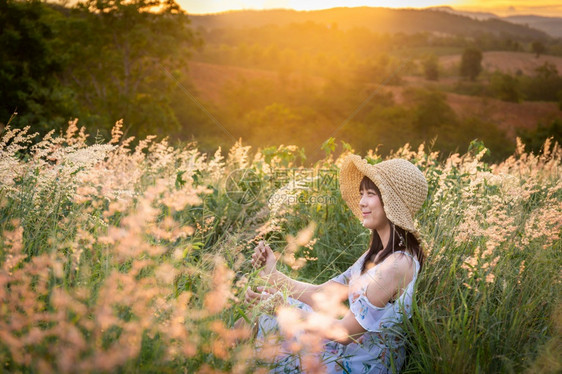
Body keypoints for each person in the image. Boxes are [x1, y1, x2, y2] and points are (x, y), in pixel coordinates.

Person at [242, 156, 428, 373]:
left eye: (371, 194)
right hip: (350, 348)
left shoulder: (397, 265)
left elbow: (345, 333)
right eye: (361, 194)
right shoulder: (377, 253)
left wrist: (280, 308)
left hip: (362, 361)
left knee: (269, 321)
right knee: (262, 310)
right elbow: (324, 294)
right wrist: (273, 276)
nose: (362, 202)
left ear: (391, 202)